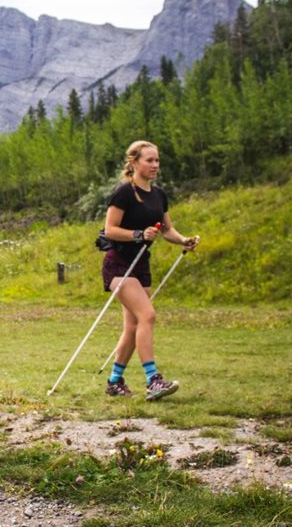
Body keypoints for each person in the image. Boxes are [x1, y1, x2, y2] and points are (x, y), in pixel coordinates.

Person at [101, 140, 199, 401]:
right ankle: (153, 380)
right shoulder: (124, 193)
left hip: (141, 265)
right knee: (148, 315)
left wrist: (184, 240)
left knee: (133, 325)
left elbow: (167, 229)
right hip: (119, 264)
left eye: (157, 160)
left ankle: (114, 381)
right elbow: (109, 230)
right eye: (149, 160)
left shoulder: (158, 195)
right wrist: (137, 234)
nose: (155, 165)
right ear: (134, 163)